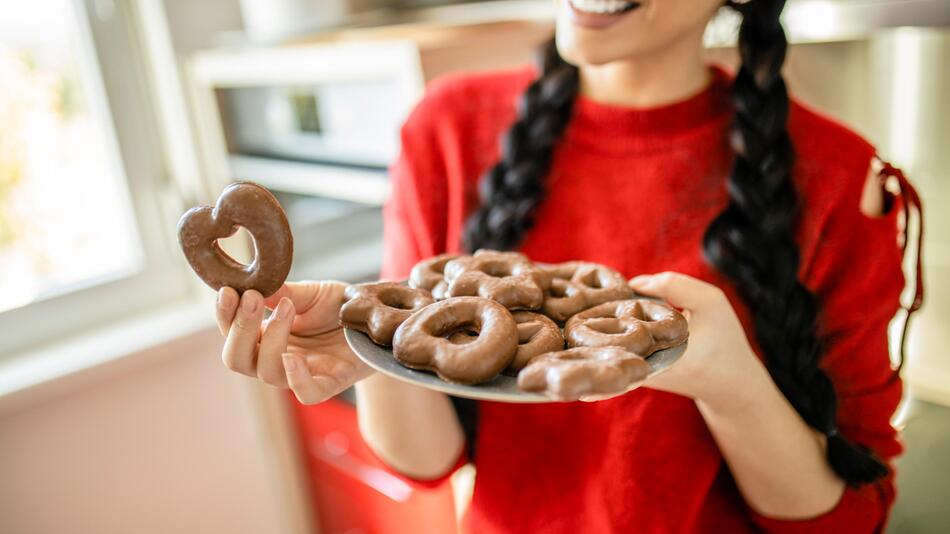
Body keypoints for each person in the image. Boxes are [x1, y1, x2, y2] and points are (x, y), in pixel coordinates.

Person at [213, 0, 923, 531]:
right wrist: (372, 345)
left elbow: (848, 517)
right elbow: (424, 461)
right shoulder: (448, 129)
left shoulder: (837, 178)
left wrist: (729, 382)